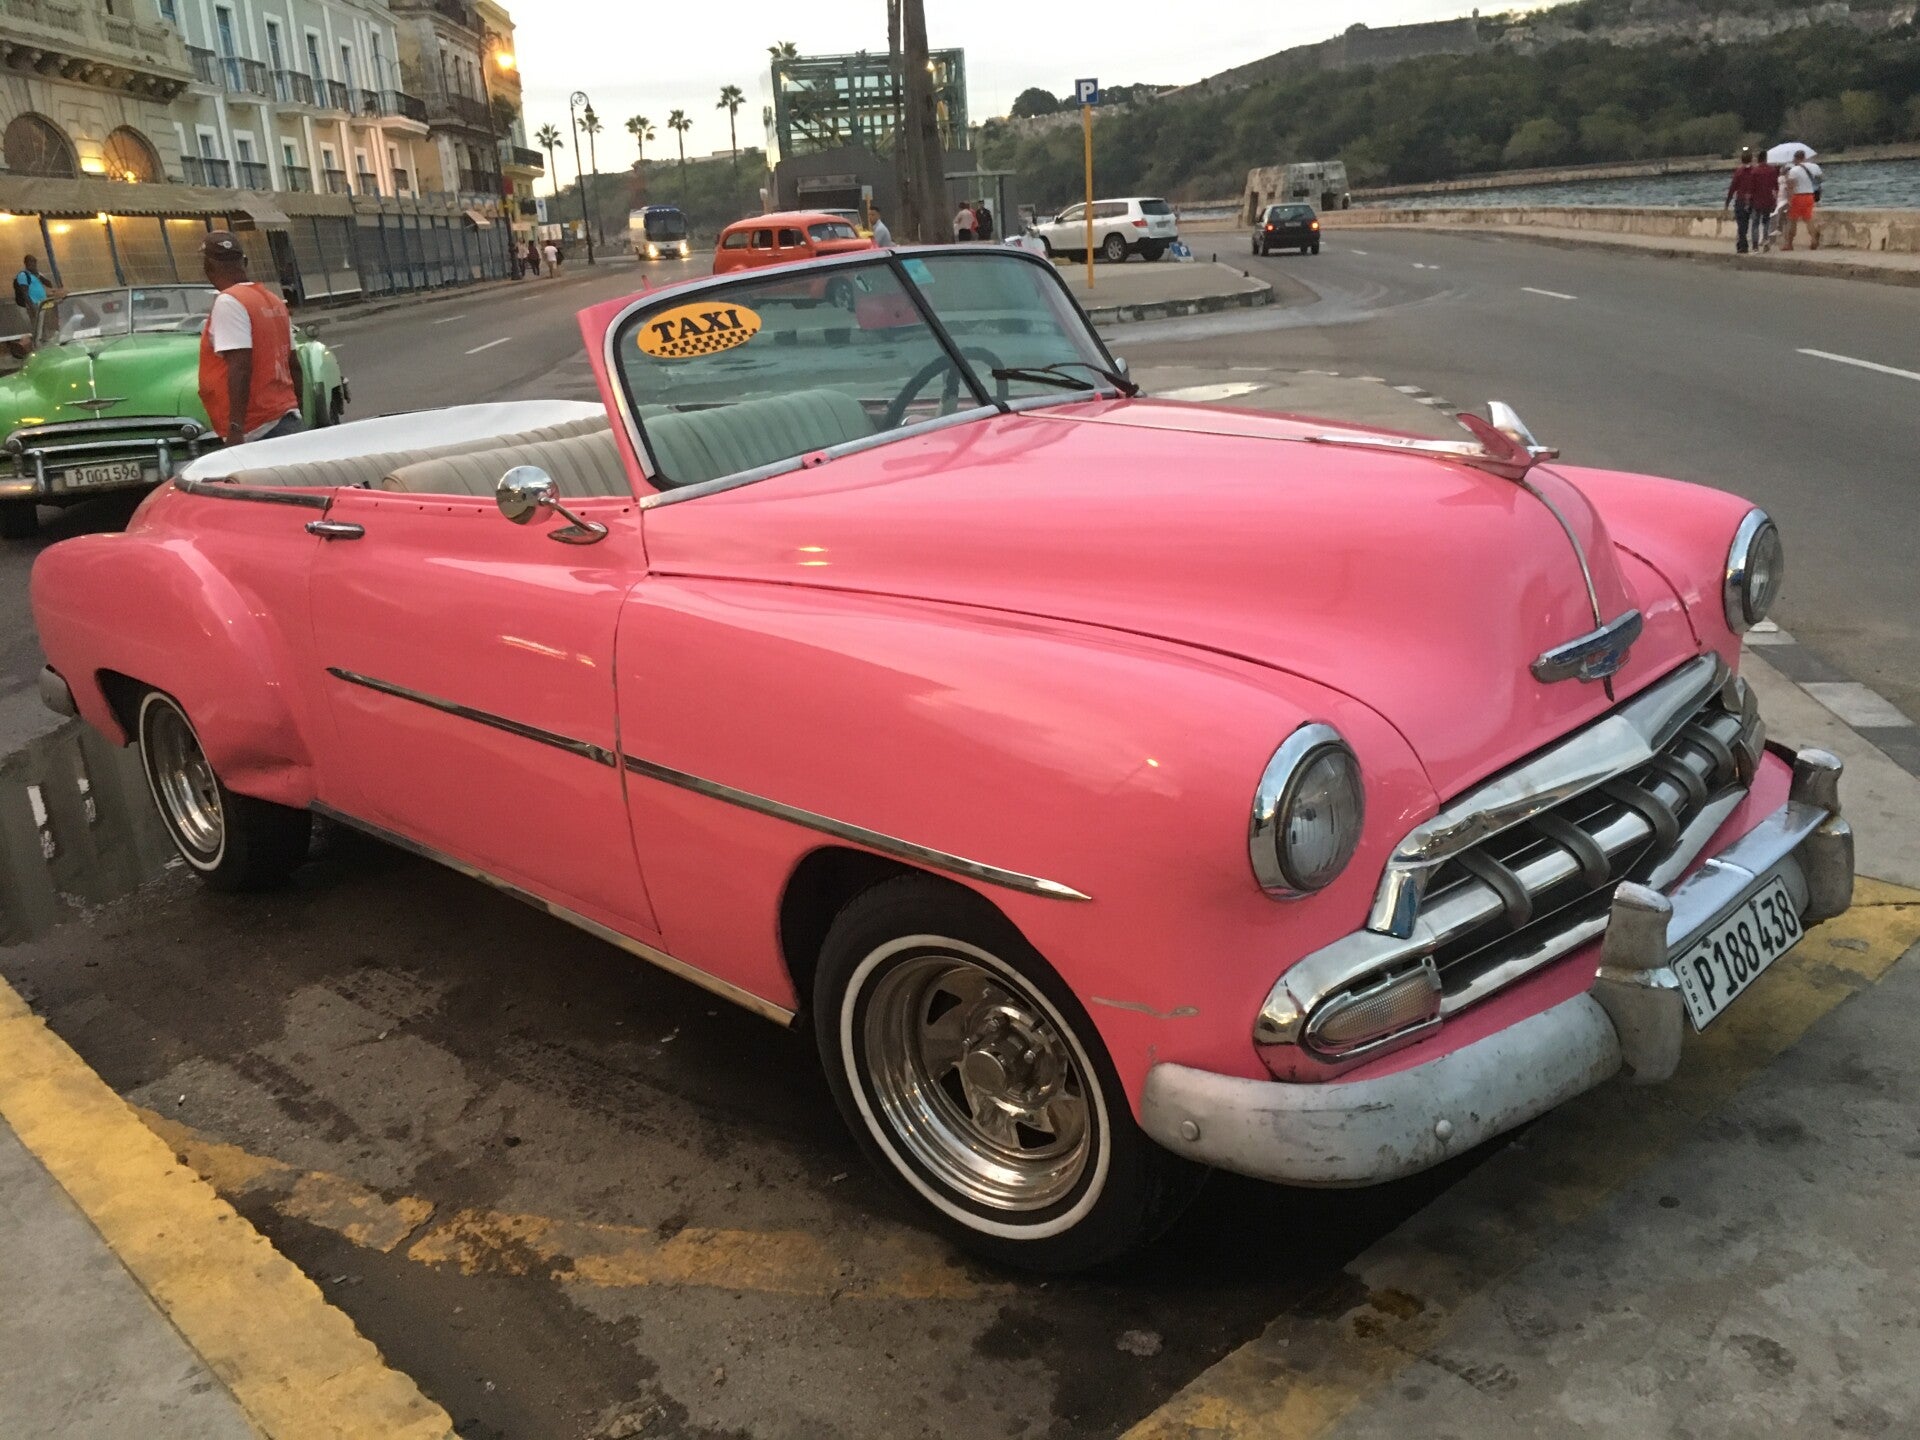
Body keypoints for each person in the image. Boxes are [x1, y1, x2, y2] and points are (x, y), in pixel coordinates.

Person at [197, 230, 304, 448]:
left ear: (207, 266)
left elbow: (240, 367)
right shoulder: (273, 300)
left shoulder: (228, 302)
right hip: (284, 419)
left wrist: (236, 430)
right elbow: (294, 365)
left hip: (256, 430)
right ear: (244, 262)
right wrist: (297, 409)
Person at [1781, 149, 1821, 252]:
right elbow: (1820, 178)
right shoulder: (1814, 167)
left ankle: (1789, 244)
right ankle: (1814, 239)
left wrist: (1789, 200)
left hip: (1798, 196)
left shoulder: (1794, 170)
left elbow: (1791, 186)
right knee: (1808, 219)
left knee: (1792, 220)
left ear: (1795, 158)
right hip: (1810, 195)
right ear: (1804, 157)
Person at [1723, 149, 1760, 255]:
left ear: (1741, 160)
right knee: (1754, 223)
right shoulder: (1755, 171)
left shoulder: (1739, 172)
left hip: (1741, 201)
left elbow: (1732, 188)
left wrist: (1727, 202)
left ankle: (1743, 246)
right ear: (1751, 159)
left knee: (1742, 224)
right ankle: (1754, 245)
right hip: (1753, 201)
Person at [1750, 153, 1779, 251]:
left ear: (1758, 159)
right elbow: (1776, 186)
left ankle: (1755, 246)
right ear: (1766, 159)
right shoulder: (1772, 170)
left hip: (1756, 201)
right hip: (1768, 200)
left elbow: (1751, 188)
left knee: (1755, 223)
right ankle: (1766, 241)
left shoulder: (1754, 171)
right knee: (1766, 222)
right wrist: (1775, 200)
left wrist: (1749, 201)